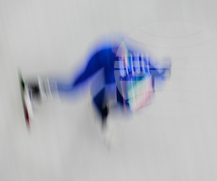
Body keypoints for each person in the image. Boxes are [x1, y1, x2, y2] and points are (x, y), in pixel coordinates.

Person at [22, 39, 170, 139]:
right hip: (102, 57)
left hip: (112, 59)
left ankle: (101, 112)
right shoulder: (128, 74)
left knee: (111, 97)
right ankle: (34, 90)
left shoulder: (148, 74)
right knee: (74, 89)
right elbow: (102, 87)